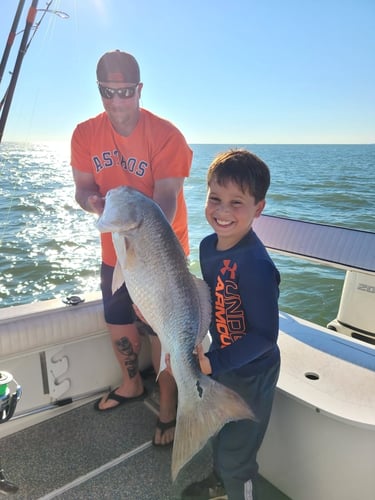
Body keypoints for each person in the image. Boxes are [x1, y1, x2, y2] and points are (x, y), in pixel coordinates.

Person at [70, 50, 192, 447]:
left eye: (125, 91)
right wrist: (91, 203)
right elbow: (82, 189)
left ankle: (169, 409)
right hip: (117, 251)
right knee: (119, 323)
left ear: (139, 90)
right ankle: (132, 385)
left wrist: (144, 246)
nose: (117, 100)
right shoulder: (84, 134)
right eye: (108, 92)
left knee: (163, 334)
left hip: (162, 254)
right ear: (100, 91)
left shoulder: (166, 135)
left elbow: (168, 199)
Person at [182, 149, 280, 499]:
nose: (222, 211)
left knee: (238, 452)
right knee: (219, 431)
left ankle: (236, 487)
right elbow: (210, 299)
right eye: (215, 198)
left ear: (258, 208)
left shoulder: (255, 265)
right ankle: (219, 486)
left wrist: (216, 362)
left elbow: (266, 335)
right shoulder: (209, 247)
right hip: (220, 358)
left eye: (236, 202)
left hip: (253, 372)